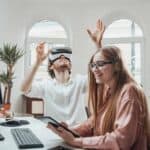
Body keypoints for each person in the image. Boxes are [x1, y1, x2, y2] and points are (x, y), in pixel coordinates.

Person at [47, 21, 149, 149]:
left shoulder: (129, 92)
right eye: (93, 65)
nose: (95, 69)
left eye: (100, 64)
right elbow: (93, 122)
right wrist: (70, 131)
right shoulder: (110, 90)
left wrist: (76, 141)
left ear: (117, 66)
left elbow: (121, 141)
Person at [21, 20, 105, 125]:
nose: (63, 57)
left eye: (66, 57)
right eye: (58, 57)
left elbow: (101, 74)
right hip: (55, 133)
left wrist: (98, 45)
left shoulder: (80, 81)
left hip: (79, 133)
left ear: (70, 65)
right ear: (51, 66)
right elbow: (24, 89)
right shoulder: (45, 85)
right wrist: (38, 62)